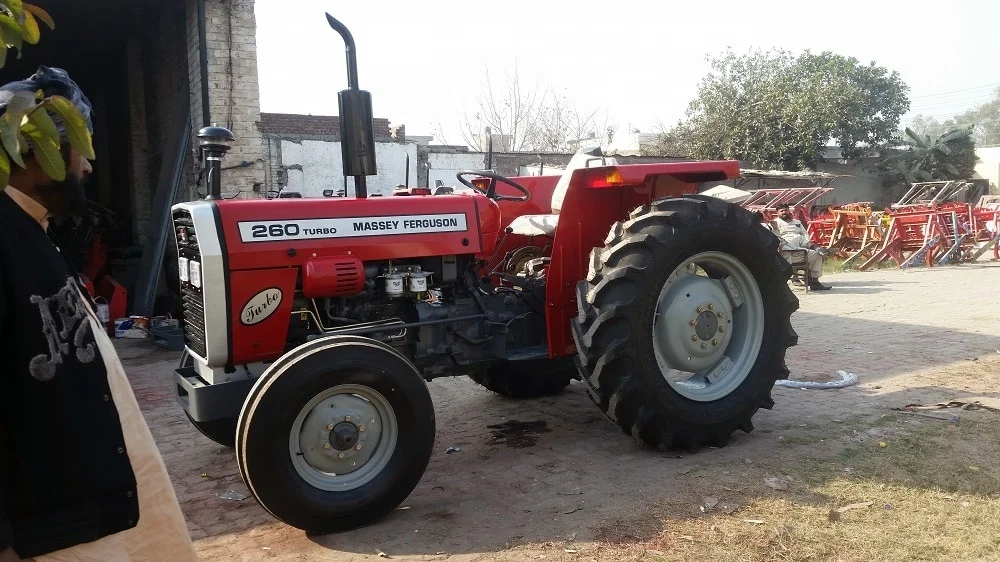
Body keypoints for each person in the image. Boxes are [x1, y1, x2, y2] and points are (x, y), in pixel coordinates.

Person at [0, 67, 197, 562]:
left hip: (89, 509)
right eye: (81, 149)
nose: (88, 166)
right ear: (39, 147)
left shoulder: (32, 229)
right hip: (51, 531)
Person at [770, 203, 831, 290]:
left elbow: (804, 234)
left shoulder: (797, 222)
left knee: (817, 255)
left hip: (801, 250)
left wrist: (807, 242)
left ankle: (814, 282)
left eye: (786, 210)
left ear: (789, 210)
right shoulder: (774, 223)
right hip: (787, 252)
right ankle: (814, 248)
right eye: (781, 211)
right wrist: (775, 229)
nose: (784, 212)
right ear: (777, 213)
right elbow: (774, 238)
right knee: (790, 240)